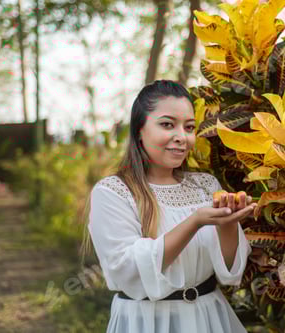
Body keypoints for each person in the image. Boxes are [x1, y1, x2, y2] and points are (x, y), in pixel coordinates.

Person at [85, 80, 257, 333]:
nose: (181, 137)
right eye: (167, 124)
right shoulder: (113, 191)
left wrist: (228, 223)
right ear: (139, 130)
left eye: (189, 127)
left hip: (208, 316)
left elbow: (229, 272)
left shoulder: (205, 185)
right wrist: (195, 221)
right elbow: (128, 269)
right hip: (147, 321)